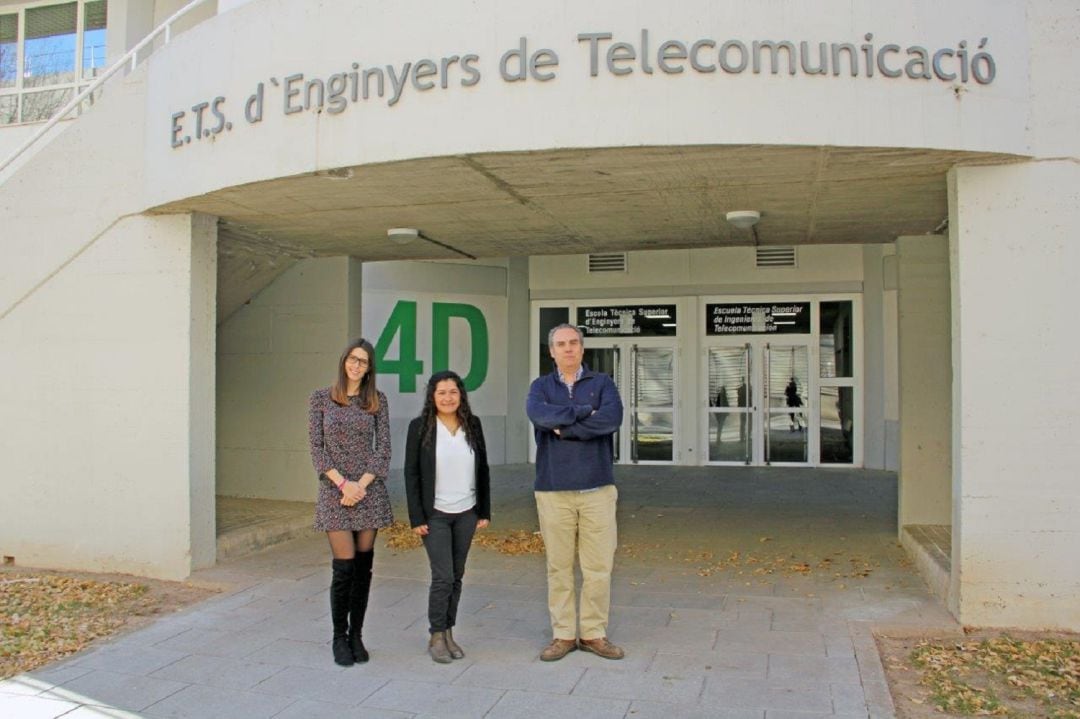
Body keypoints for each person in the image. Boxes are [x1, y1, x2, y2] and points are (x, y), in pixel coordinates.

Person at [526, 323, 624, 662]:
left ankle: (594, 634)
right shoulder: (540, 387)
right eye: (561, 344)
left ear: (582, 348)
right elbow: (538, 415)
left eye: (573, 343)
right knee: (559, 567)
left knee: (599, 567)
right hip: (553, 490)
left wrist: (563, 427)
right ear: (551, 351)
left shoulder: (603, 384)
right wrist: (584, 413)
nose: (568, 349)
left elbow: (611, 420)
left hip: (597, 488)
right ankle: (564, 635)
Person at [308, 338, 393, 667]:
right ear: (344, 361)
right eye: (353, 359)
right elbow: (317, 449)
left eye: (364, 361)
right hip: (335, 490)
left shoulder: (377, 401)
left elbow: (383, 448)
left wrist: (362, 484)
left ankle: (357, 634)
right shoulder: (320, 399)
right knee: (343, 567)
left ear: (370, 368)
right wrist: (343, 484)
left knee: (363, 566)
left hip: (368, 490)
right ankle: (339, 637)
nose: (357, 365)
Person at [404, 370, 491, 664]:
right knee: (443, 577)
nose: (448, 397)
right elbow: (411, 474)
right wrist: (416, 518)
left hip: (466, 512)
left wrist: (484, 510)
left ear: (461, 395)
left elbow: (483, 469)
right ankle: (436, 635)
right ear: (432, 396)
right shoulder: (420, 427)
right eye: (441, 392)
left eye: (453, 392)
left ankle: (449, 632)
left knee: (457, 577)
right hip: (436, 514)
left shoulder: (472, 425)